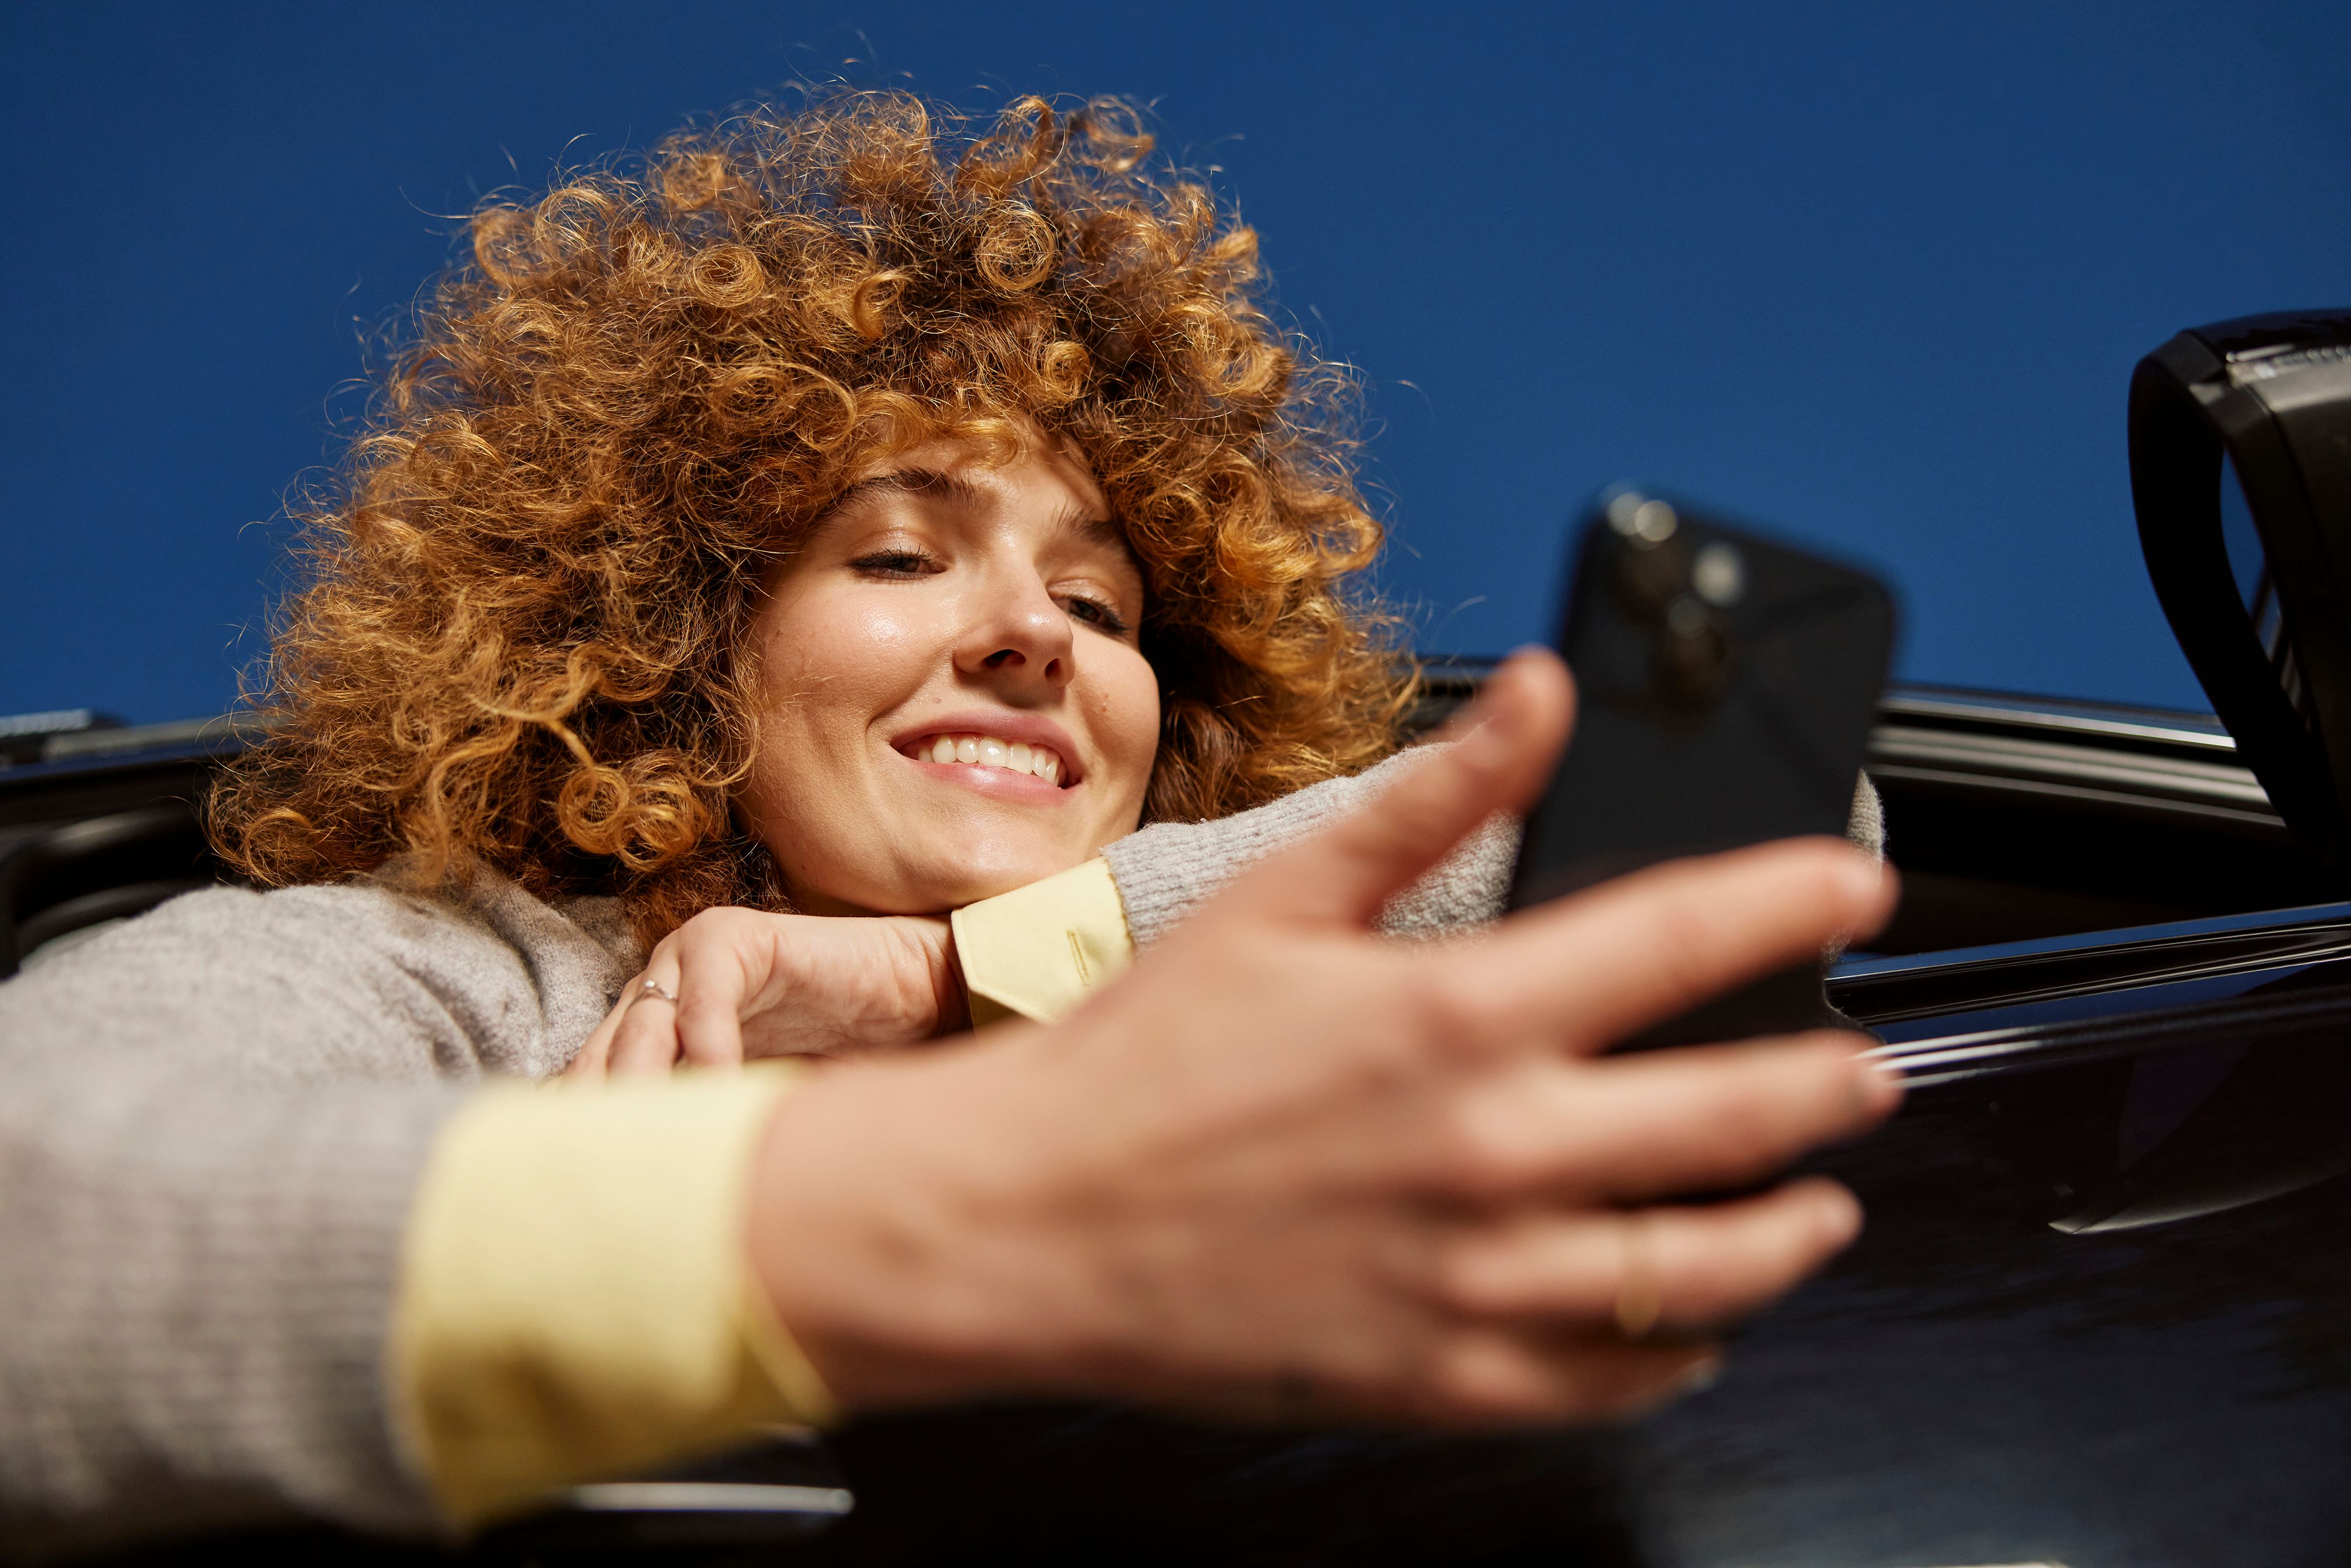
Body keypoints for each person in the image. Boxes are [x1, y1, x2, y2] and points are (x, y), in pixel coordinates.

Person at [0, 91, 1898, 1554]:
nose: (1026, 636)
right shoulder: (473, 973)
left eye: (1102, 606)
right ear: (669, 642)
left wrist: (959, 979)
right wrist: (889, 1220)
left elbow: (1789, 813)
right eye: (899, 555)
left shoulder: (1255, 991)